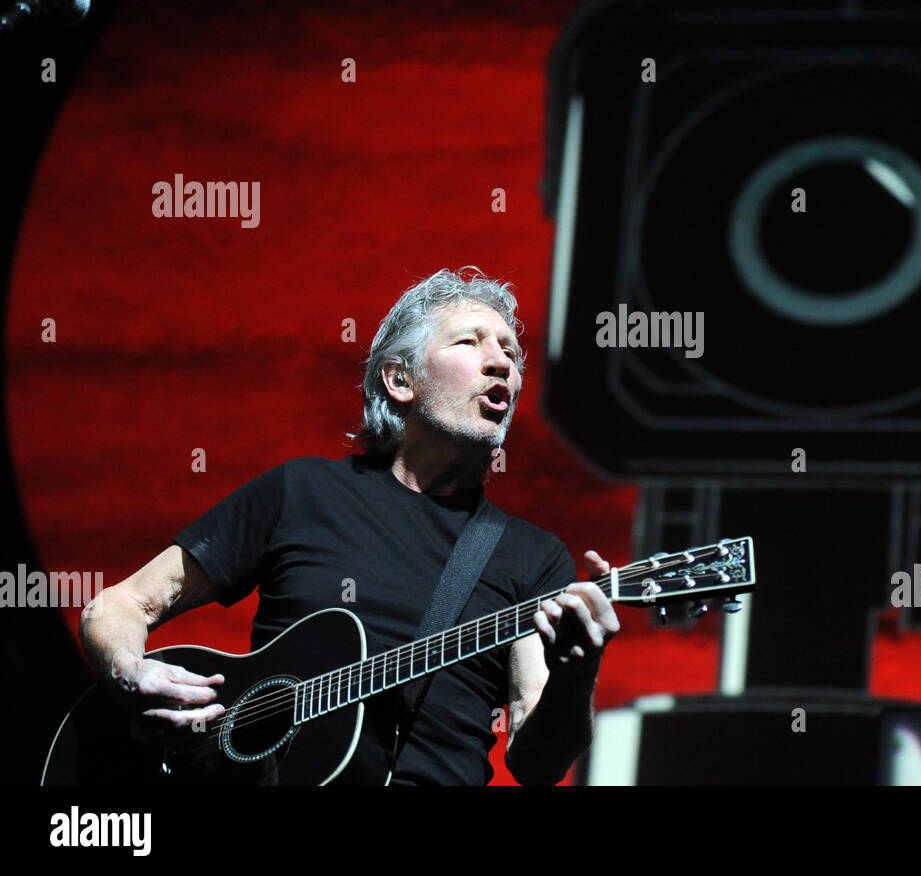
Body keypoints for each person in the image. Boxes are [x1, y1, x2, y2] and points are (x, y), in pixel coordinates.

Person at [79, 267, 620, 785]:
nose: (501, 363)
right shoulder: (301, 493)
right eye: (470, 342)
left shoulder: (532, 556)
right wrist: (131, 673)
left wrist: (577, 676)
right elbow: (121, 605)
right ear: (400, 379)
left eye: (511, 352)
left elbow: (537, 765)